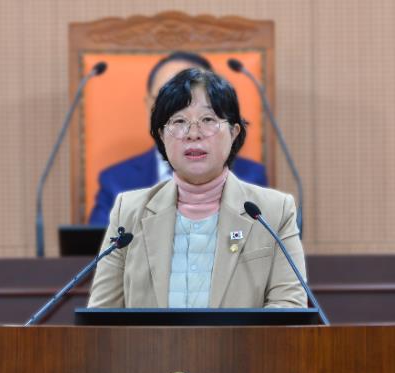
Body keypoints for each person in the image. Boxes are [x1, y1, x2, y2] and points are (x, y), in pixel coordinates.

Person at [88, 68, 306, 308]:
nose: (193, 134)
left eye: (208, 120)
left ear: (234, 132)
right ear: (161, 135)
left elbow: (289, 308)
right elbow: (102, 314)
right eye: (179, 121)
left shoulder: (274, 212)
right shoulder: (128, 212)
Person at [88, 51, 268, 226]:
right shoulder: (116, 182)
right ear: (149, 106)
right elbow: (97, 245)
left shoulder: (249, 177)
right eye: (167, 102)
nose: (192, 131)